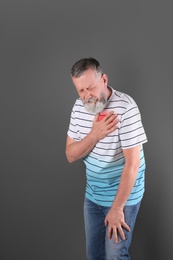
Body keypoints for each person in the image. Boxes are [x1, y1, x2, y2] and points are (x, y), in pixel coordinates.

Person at [65, 57, 147, 260]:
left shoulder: (126, 108)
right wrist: (95, 135)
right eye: (81, 91)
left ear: (104, 79)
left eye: (90, 88)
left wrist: (117, 208)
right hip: (93, 196)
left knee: (114, 257)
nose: (87, 97)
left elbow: (133, 164)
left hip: (124, 198)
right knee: (94, 256)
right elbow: (70, 155)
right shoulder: (78, 108)